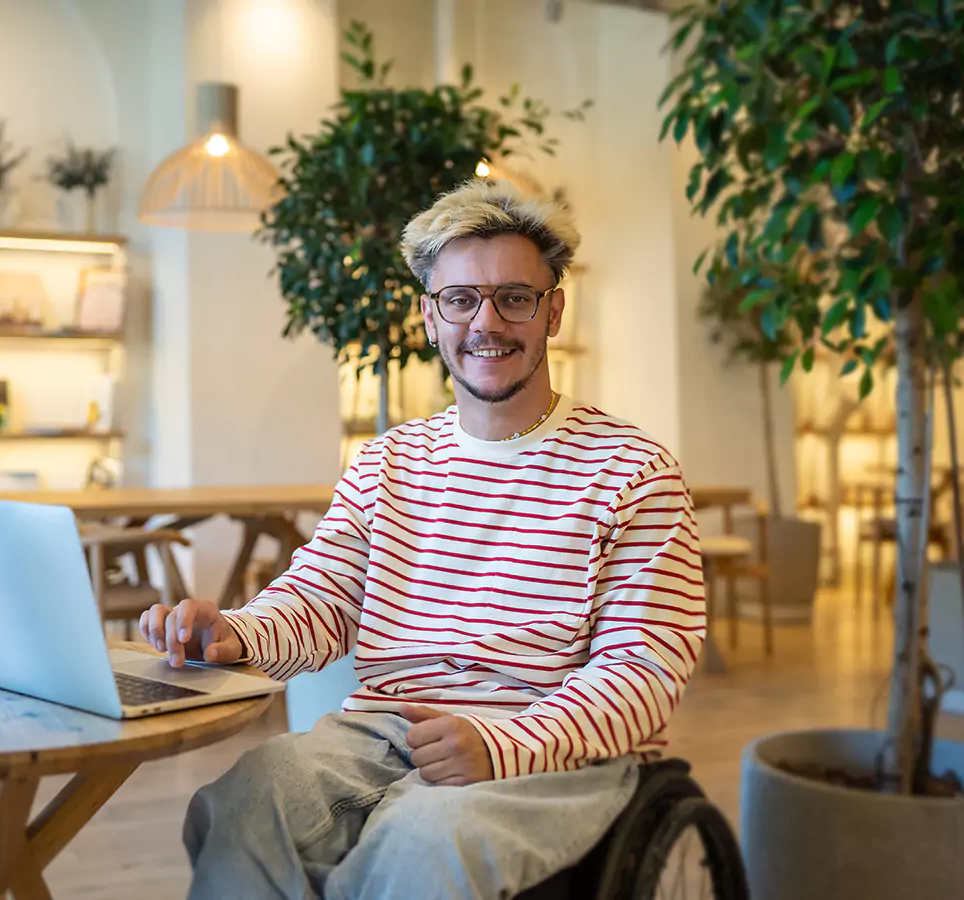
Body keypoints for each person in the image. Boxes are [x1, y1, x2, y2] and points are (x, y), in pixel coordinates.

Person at [140, 178, 705, 900]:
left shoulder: (633, 472)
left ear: (553, 309)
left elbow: (642, 672)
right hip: (383, 732)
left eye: (515, 297)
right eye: (461, 299)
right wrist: (235, 633)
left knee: (423, 843)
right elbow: (324, 600)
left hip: (549, 753)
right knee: (241, 805)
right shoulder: (389, 461)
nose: (486, 323)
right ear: (430, 317)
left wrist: (503, 744)